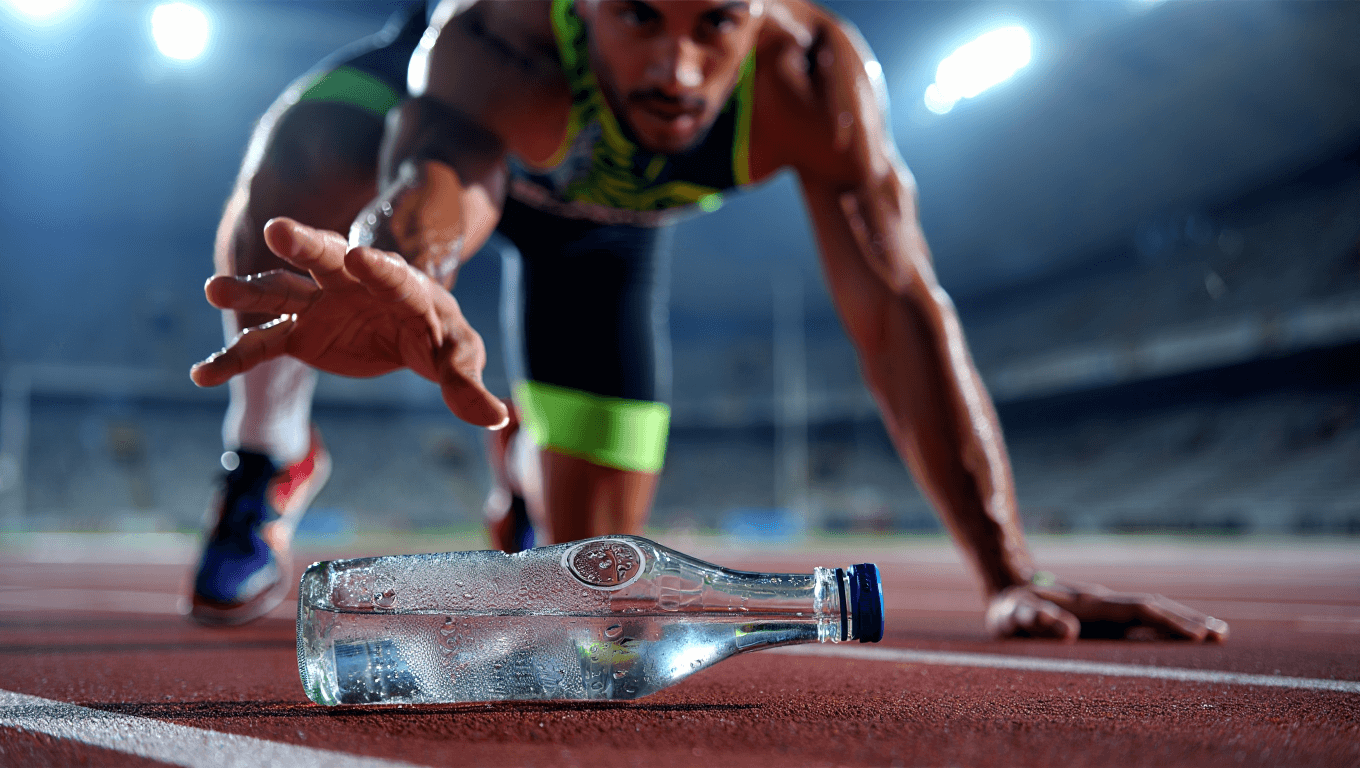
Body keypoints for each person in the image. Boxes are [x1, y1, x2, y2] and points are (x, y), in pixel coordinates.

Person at [189, 0, 1229, 643]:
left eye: (715, 22)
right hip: (437, 137)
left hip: (605, 237)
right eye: (640, 16)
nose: (678, 71)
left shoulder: (811, 77)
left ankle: (522, 481)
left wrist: (1009, 573)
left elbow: (897, 309)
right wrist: (403, 270)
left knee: (592, 604)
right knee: (300, 168)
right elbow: (438, 175)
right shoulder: (495, 36)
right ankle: (267, 457)